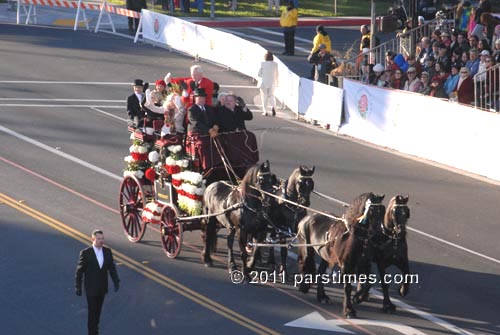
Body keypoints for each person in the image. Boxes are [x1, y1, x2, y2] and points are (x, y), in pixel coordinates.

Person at [75, 230, 120, 335]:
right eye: (99, 239)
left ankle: (95, 329)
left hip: (102, 288)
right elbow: (79, 271)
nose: (101, 241)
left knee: (98, 311)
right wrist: (78, 287)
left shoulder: (107, 251)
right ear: (93, 239)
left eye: (102, 238)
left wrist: (116, 281)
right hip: (91, 288)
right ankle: (92, 332)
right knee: (92, 311)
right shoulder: (86, 253)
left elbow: (111, 268)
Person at [257, 50, 279, 116]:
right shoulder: (275, 64)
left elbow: (259, 74)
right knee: (272, 96)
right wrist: (277, 82)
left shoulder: (262, 64)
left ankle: (265, 111)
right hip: (272, 83)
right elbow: (277, 74)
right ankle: (273, 107)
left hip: (263, 83)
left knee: (264, 97)